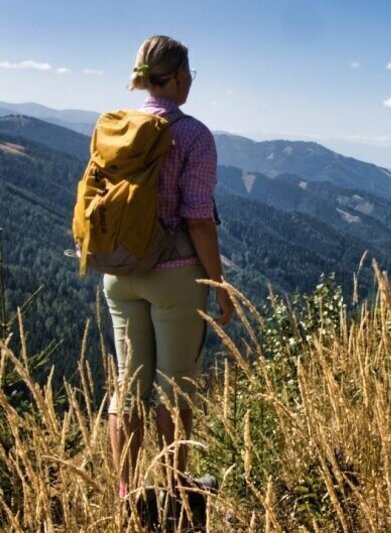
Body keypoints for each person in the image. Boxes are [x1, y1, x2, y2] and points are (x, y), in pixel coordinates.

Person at [106, 34, 234, 500]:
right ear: (179, 76)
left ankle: (126, 491)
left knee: (128, 387)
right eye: (189, 75)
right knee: (173, 389)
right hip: (174, 273)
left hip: (119, 274)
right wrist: (218, 284)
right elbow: (198, 217)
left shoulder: (117, 127)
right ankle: (176, 490)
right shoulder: (193, 134)